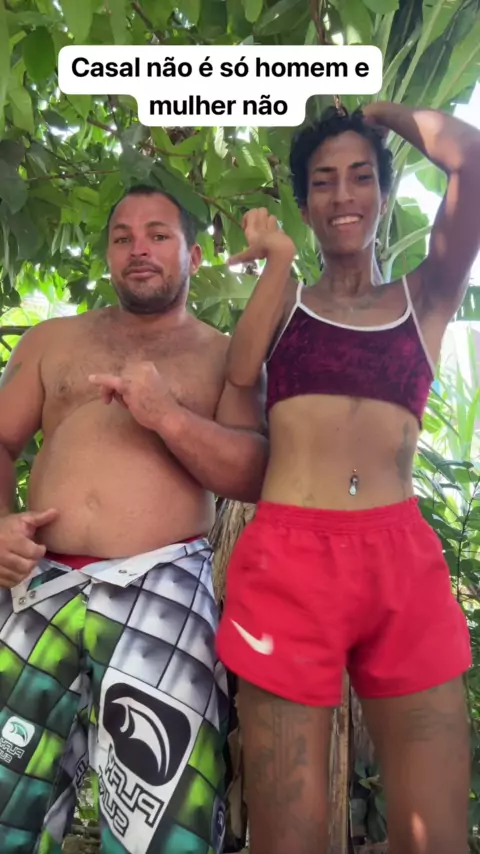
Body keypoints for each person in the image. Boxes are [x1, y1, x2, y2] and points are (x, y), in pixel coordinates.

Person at [216, 101, 480, 854]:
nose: (344, 196)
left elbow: (473, 160)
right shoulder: (285, 308)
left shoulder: (425, 298)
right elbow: (236, 391)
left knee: (438, 839)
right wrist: (275, 263)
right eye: (324, 181)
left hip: (402, 568)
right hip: (288, 567)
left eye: (361, 177)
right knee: (289, 841)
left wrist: (376, 112)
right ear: (304, 206)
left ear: (385, 196)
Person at [0, 184, 267, 854]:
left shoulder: (225, 356)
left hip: (163, 592)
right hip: (37, 586)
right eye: (122, 237)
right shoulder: (52, 340)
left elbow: (252, 472)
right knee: (7, 799)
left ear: (193, 256)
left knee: (166, 821)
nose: (138, 249)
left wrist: (167, 417)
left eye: (158, 235)